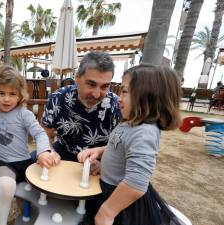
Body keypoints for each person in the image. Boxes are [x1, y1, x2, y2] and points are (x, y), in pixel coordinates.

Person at [78, 64, 182, 225]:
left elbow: (136, 182)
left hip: (120, 204)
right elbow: (119, 146)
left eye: (125, 92)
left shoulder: (144, 132)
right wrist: (99, 152)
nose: (119, 97)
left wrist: (107, 212)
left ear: (147, 96)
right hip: (108, 189)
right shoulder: (131, 122)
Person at [0, 65, 60, 225]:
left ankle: (25, 218)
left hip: (22, 164)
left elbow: (39, 133)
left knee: (26, 199)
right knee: (6, 186)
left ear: (20, 95)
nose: (6, 99)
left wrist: (43, 151)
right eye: (2, 93)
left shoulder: (25, 114)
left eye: (12, 94)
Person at [40, 51, 121, 163]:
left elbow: (123, 146)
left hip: (100, 157)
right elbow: (44, 132)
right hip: (63, 152)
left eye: (105, 86)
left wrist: (103, 163)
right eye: (91, 84)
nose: (97, 94)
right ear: (77, 78)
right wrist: (49, 151)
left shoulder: (116, 104)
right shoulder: (58, 98)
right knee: (33, 158)